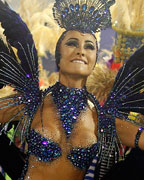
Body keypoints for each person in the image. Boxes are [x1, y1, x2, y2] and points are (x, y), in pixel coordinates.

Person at [0, 0, 144, 180]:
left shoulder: (103, 121)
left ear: (93, 61)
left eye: (89, 46)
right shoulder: (32, 103)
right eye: (72, 43)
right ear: (58, 57)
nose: (81, 51)